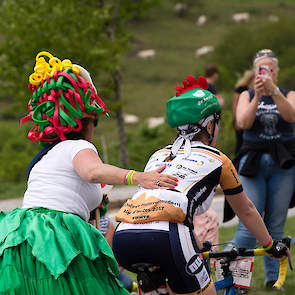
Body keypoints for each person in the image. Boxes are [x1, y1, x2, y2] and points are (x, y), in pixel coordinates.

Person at [0, 51, 178, 295]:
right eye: (95, 120)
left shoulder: (43, 158)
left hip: (24, 235)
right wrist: (139, 177)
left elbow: (73, 190)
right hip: (54, 234)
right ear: (85, 119)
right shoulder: (80, 146)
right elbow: (93, 172)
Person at [112, 75, 288, 295]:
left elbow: (167, 208)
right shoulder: (218, 159)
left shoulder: (158, 155)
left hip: (124, 237)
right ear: (209, 125)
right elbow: (246, 210)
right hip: (166, 237)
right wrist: (270, 245)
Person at [233, 49, 295, 289]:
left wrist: (274, 91)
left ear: (276, 72)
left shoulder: (288, 94)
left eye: (270, 69)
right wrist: (258, 94)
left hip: (283, 162)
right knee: (249, 217)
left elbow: (291, 117)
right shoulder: (247, 95)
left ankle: (273, 278)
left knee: (276, 222)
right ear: (255, 72)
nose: (265, 73)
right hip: (253, 162)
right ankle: (235, 276)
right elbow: (242, 123)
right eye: (261, 69)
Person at [233, 70, 254, 155]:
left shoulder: (253, 89)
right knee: (240, 142)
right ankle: (237, 161)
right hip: (239, 117)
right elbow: (235, 104)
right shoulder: (241, 89)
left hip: (248, 118)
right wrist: (237, 120)